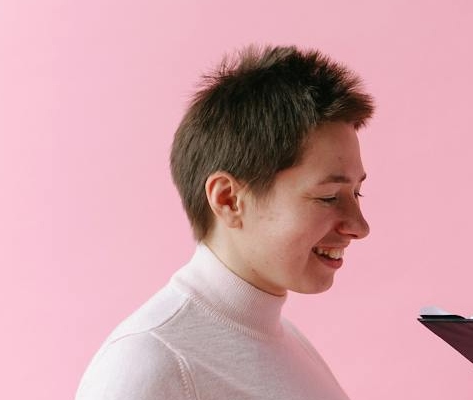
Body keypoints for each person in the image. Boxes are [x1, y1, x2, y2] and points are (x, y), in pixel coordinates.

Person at [76, 45, 374, 399]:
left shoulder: (289, 343)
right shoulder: (149, 366)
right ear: (228, 199)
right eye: (328, 197)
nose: (359, 226)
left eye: (357, 193)